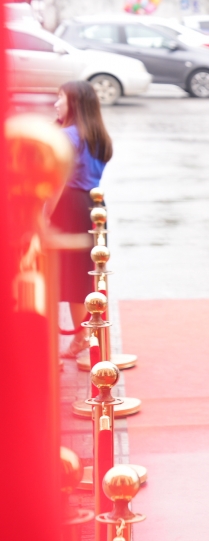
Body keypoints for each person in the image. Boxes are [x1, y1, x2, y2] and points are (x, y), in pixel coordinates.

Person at [51, 81, 113, 357]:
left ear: (72, 104)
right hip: (93, 203)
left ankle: (77, 337)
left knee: (65, 275)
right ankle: (83, 335)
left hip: (69, 205)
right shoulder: (97, 135)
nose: (55, 104)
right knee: (83, 273)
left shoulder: (68, 136)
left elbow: (53, 182)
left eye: (59, 99)